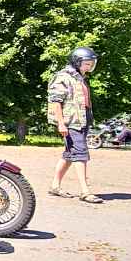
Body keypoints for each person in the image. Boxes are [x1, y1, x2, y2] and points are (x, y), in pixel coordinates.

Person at [48, 47, 103, 204]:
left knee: (69, 154)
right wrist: (61, 123)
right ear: (77, 62)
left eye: (91, 63)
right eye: (87, 63)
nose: (90, 66)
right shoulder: (63, 77)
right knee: (81, 154)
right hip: (70, 122)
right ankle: (85, 191)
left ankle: (55, 186)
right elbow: (56, 102)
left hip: (82, 121)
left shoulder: (81, 78)